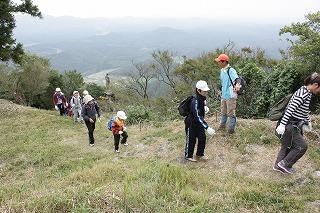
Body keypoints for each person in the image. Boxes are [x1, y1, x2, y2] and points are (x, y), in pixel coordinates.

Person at [273, 72, 320, 174]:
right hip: (290, 124)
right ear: (316, 85)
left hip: (293, 124)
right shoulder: (303, 93)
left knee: (286, 146)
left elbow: (304, 110)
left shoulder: (307, 92)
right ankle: (284, 164)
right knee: (302, 146)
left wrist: (308, 122)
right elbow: (290, 109)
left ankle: (278, 166)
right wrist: (282, 125)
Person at [184, 80, 215, 162]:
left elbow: (202, 107)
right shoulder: (195, 101)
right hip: (191, 123)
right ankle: (188, 156)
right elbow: (197, 116)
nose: (206, 92)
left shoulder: (202, 98)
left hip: (198, 123)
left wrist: (205, 107)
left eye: (206, 91)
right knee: (191, 140)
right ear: (198, 90)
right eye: (204, 91)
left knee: (202, 138)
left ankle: (199, 154)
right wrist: (207, 127)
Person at [215, 54, 241, 134]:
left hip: (230, 95)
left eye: (219, 61)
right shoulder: (222, 70)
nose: (218, 63)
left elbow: (237, 79)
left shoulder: (231, 70)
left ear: (224, 62)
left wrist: (237, 84)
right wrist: (220, 90)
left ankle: (231, 130)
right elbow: (222, 82)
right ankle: (222, 126)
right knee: (223, 111)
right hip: (224, 95)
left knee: (231, 113)